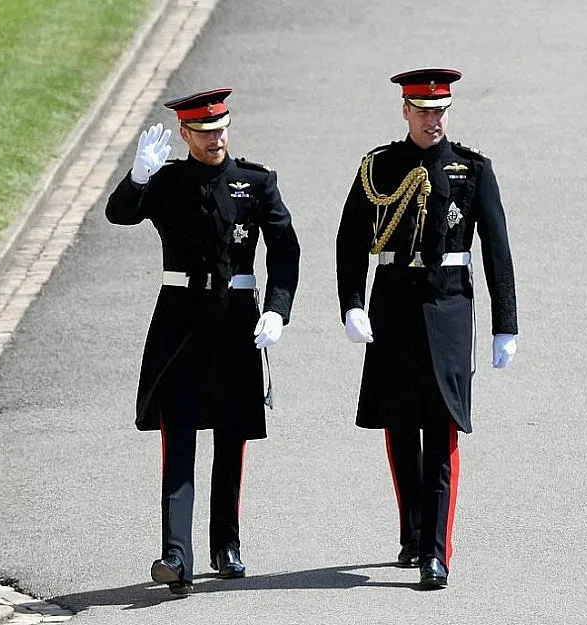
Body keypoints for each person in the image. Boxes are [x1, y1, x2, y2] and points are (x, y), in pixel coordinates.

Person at [105, 88, 300, 595]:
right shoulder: (168, 181)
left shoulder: (255, 182)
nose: (215, 139)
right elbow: (119, 214)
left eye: (220, 129)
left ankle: (225, 543)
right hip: (180, 322)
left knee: (231, 437)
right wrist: (138, 176)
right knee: (179, 439)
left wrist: (277, 310)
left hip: (235, 321)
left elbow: (285, 249)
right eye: (204, 132)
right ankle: (176, 555)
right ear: (185, 134)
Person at [335, 68, 518, 589]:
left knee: (441, 426)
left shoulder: (472, 169)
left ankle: (436, 552)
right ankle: (413, 531)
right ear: (405, 111)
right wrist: (352, 304)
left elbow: (497, 249)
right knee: (399, 423)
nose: (432, 120)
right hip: (393, 302)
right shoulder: (379, 167)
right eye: (423, 111)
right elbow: (351, 239)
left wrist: (505, 325)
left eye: (440, 111)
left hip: (448, 305)